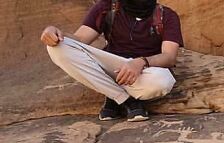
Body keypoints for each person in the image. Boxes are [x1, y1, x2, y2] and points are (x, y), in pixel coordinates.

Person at [40, 0, 184, 122]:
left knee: (162, 81)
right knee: (57, 47)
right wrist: (53, 31)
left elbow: (169, 57)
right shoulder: (107, 7)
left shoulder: (166, 15)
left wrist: (141, 62)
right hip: (111, 66)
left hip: (142, 70)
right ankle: (127, 100)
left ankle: (112, 96)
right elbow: (81, 40)